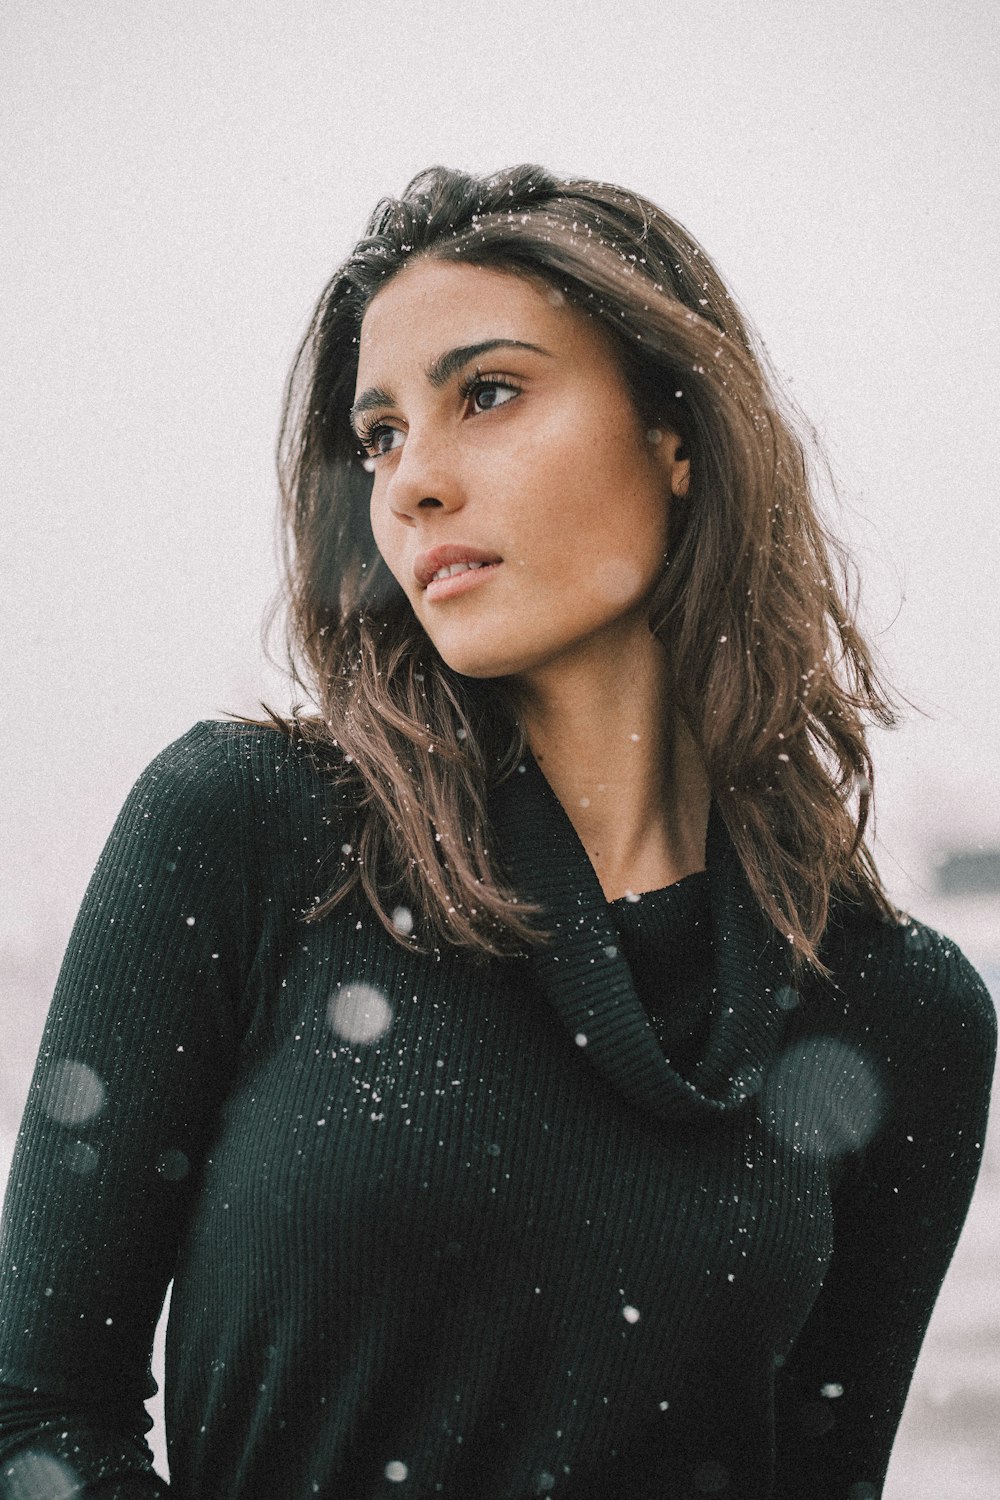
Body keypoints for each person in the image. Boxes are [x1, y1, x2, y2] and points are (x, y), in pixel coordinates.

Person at [0, 164, 994, 1500]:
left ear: (676, 432)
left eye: (487, 393)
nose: (409, 484)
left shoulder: (899, 1009)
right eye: (379, 436)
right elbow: (35, 1417)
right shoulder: (251, 833)